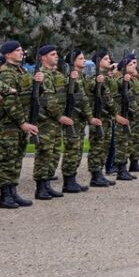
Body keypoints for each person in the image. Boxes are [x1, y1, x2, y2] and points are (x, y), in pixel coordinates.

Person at [0, 40, 39, 208]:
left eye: (21, 50)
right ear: (7, 54)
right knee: (7, 159)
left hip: (19, 123)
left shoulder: (21, 71)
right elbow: (10, 101)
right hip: (10, 124)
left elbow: (25, 94)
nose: (21, 52)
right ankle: (5, 196)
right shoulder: (6, 74)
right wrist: (22, 122)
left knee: (16, 158)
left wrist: (36, 81)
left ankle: (12, 192)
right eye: (17, 50)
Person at [31, 45, 71, 201]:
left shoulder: (58, 75)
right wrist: (60, 116)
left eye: (57, 54)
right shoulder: (42, 75)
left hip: (55, 122)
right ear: (43, 58)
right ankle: (40, 187)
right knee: (44, 153)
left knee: (54, 153)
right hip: (46, 121)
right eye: (53, 54)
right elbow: (48, 100)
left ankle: (47, 184)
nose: (56, 57)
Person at [59, 49, 91, 194]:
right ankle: (68, 181)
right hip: (72, 119)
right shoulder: (69, 78)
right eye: (81, 58)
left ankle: (73, 179)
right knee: (71, 150)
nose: (84, 60)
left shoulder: (81, 77)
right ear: (73, 62)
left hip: (80, 120)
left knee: (77, 151)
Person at [86, 51, 119, 186]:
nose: (109, 61)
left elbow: (113, 93)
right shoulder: (94, 78)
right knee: (97, 147)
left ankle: (99, 173)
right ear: (98, 62)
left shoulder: (107, 78)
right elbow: (100, 96)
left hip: (107, 117)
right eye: (106, 59)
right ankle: (95, 175)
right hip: (98, 117)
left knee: (104, 147)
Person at [119, 55, 139, 175]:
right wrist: (138, 113)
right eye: (131, 64)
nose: (134, 65)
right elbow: (130, 99)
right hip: (129, 115)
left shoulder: (135, 80)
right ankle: (121, 167)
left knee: (136, 139)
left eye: (134, 63)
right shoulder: (124, 81)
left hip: (137, 113)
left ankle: (134, 161)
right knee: (126, 141)